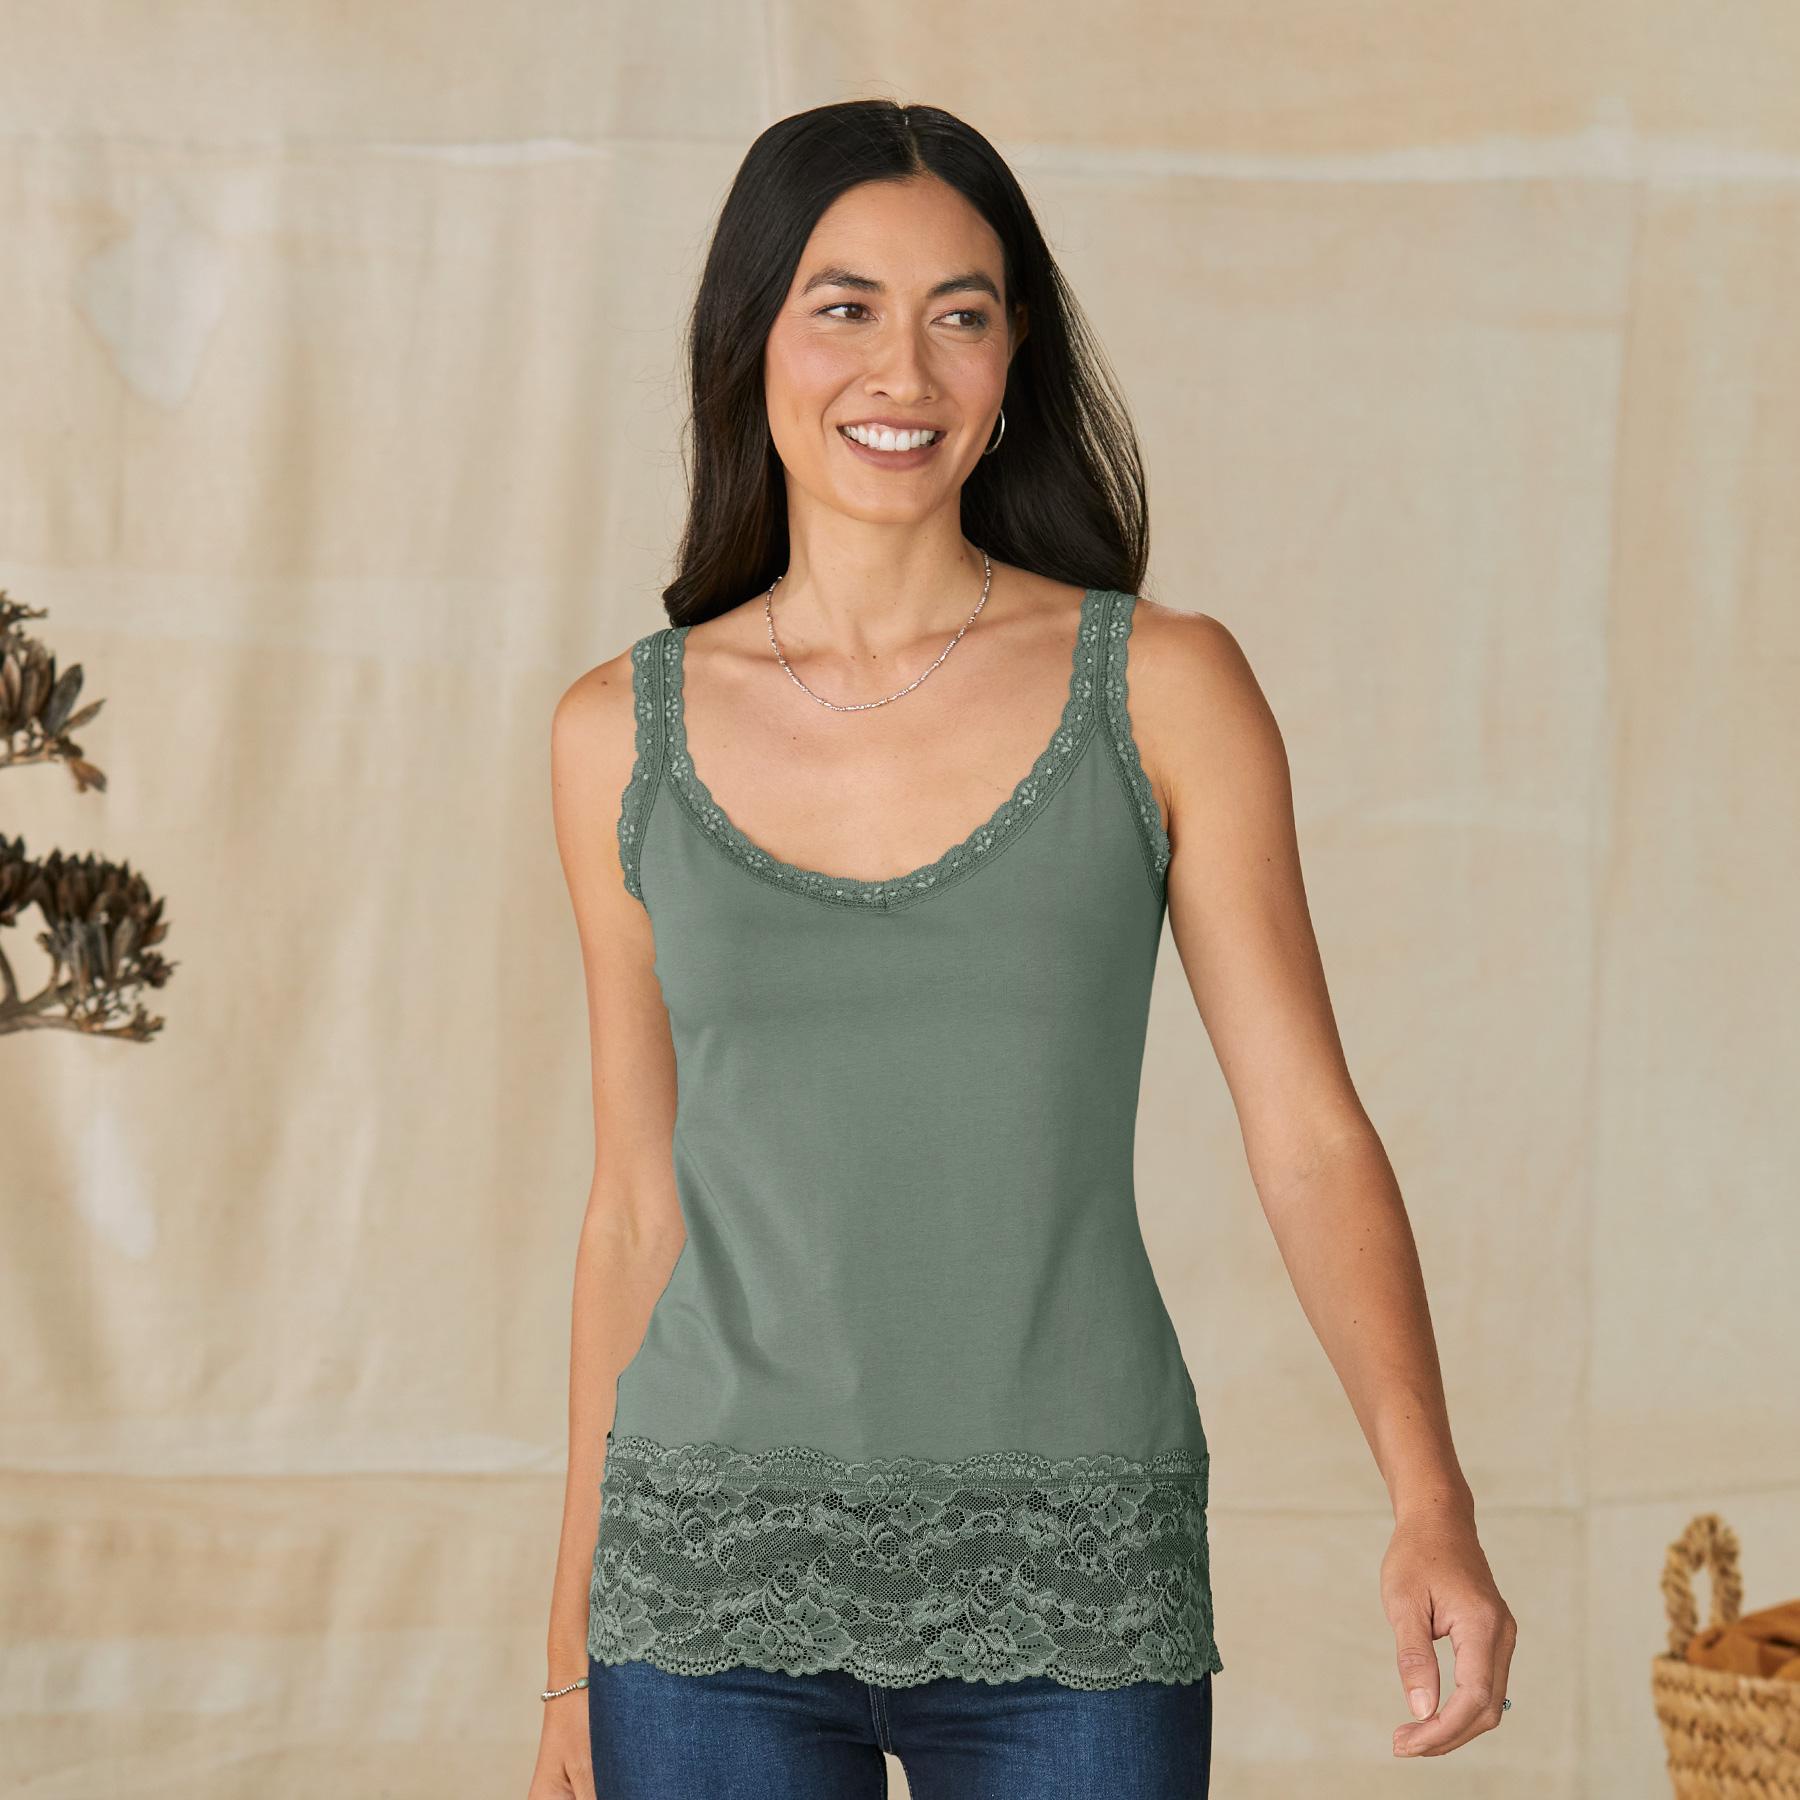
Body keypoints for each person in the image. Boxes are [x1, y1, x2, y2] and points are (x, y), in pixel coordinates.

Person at [528, 98, 1516, 1800]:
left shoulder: (1164, 690)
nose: (901, 371)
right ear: (751, 337)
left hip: (1079, 1580)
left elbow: (1307, 1135)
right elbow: (633, 1207)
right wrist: (568, 1661)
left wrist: (1432, 1500)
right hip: (701, 1595)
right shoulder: (618, 731)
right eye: (845, 307)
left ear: (1012, 360)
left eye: (960, 314)